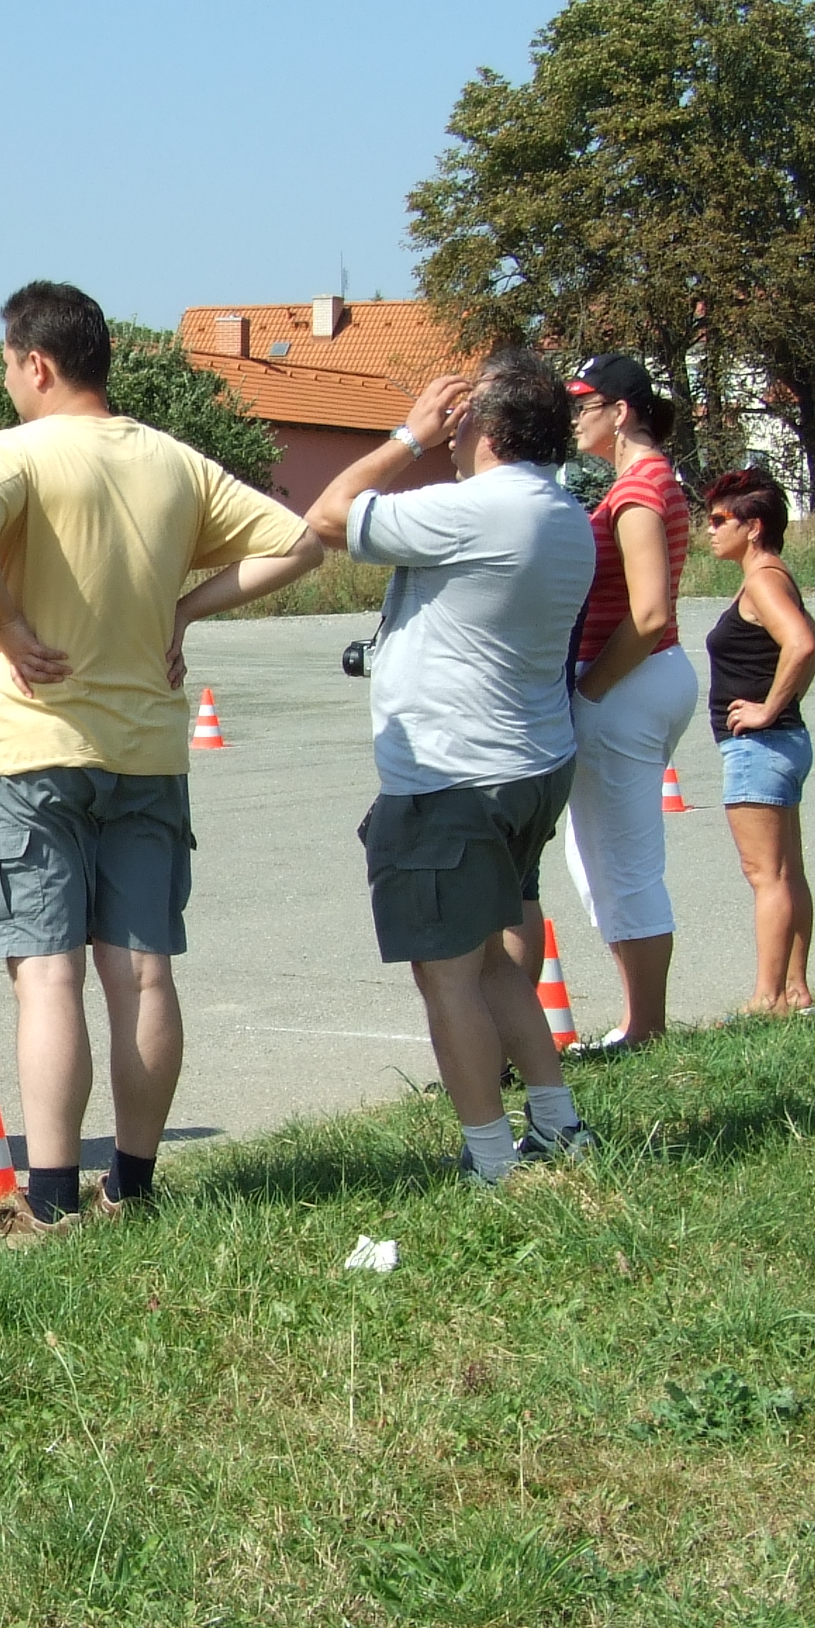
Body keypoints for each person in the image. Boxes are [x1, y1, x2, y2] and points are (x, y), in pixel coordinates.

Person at [0, 281, 322, 1226]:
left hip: (29, 750)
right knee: (142, 973)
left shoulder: (16, 451)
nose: (8, 382)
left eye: (8, 365)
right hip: (147, 752)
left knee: (48, 974)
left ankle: (51, 1200)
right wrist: (184, 609)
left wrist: (7, 624)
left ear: (37, 363)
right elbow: (303, 542)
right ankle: (133, 1186)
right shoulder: (176, 462)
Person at [304, 350, 599, 1183]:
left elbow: (328, 515)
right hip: (527, 763)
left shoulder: (479, 510)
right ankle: (557, 1124)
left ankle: (490, 1159)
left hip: (452, 777)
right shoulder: (564, 510)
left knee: (447, 976)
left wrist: (407, 438)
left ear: (485, 427)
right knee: (494, 961)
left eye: (461, 420)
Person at [561, 353, 697, 1049]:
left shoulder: (640, 488)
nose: (573, 418)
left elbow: (647, 614)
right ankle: (637, 1019)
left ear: (620, 412)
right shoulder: (646, 480)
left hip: (625, 683)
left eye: (583, 405)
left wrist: (589, 689)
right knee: (599, 860)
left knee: (623, 863)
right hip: (644, 680)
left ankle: (646, 1026)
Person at [700, 466, 815, 1014]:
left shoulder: (762, 581)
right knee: (787, 871)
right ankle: (795, 990)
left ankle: (767, 997)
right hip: (783, 743)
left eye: (719, 520)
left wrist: (768, 708)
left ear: (753, 527)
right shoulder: (773, 575)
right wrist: (784, 706)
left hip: (760, 747)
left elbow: (802, 643)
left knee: (765, 875)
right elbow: (810, 640)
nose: (710, 530)